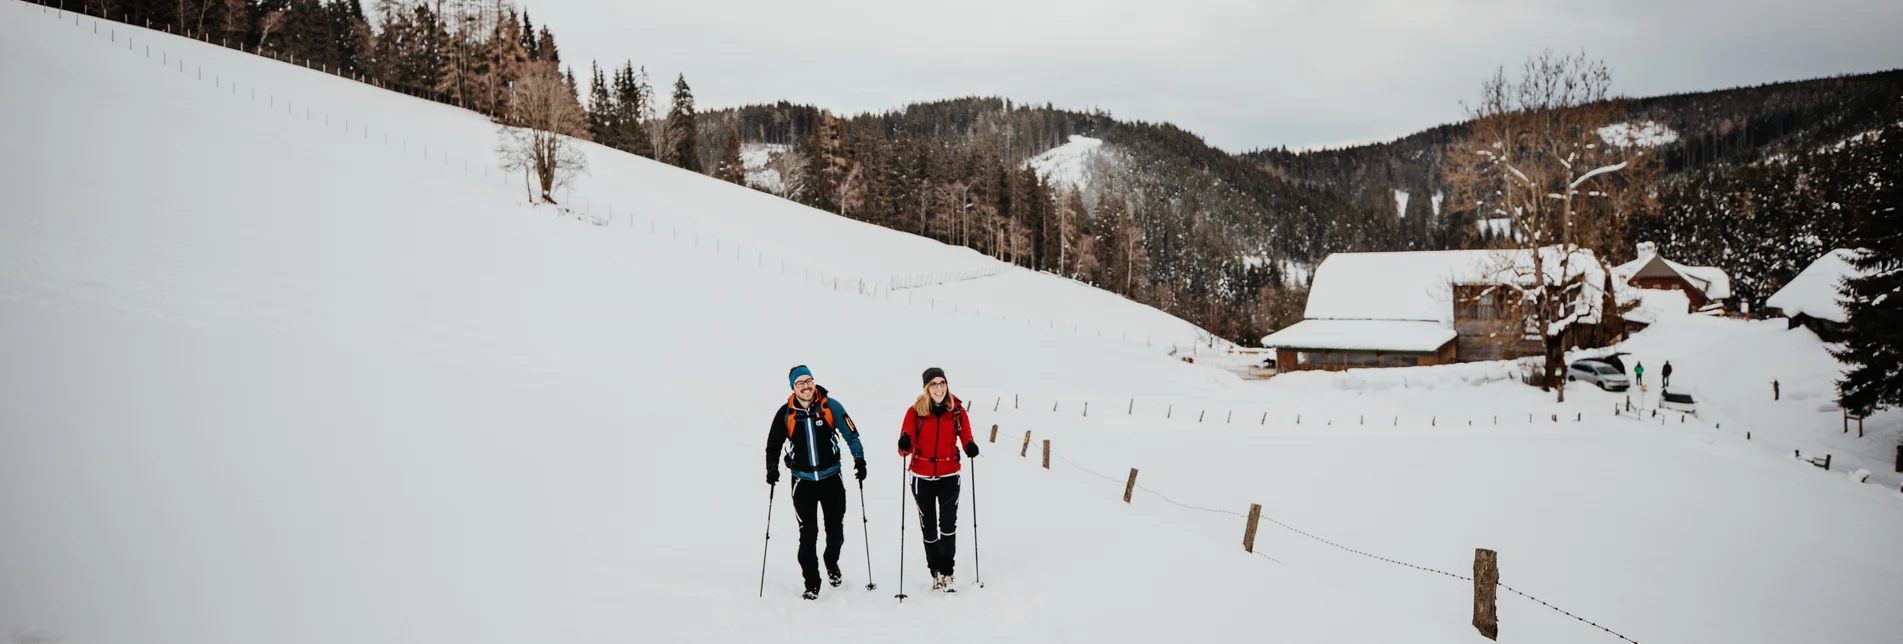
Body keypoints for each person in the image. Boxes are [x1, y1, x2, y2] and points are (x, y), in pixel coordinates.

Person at [765, 365, 867, 600]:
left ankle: (831, 561)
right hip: (803, 483)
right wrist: (771, 469)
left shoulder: (830, 407)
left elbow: (851, 434)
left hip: (832, 479)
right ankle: (812, 583)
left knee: (835, 533)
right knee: (807, 535)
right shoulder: (786, 414)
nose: (806, 386)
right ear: (793, 388)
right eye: (800, 383)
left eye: (808, 380)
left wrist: (859, 460)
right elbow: (773, 445)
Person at [897, 367, 979, 592]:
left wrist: (970, 446)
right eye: (933, 383)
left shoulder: (957, 411)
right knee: (929, 527)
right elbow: (906, 439)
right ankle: (934, 570)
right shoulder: (915, 412)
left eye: (942, 383)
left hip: (949, 474)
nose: (939, 388)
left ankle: (947, 571)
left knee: (948, 525)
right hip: (921, 476)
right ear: (926, 388)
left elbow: (966, 435)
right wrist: (904, 445)